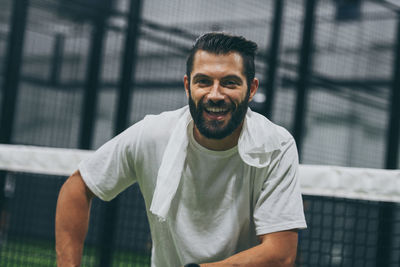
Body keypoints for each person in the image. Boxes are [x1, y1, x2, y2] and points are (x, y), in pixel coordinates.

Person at [55, 32, 307, 267]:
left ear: (251, 89)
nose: (215, 94)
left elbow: (281, 254)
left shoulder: (276, 145)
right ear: (188, 86)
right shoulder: (153, 134)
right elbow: (77, 187)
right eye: (204, 82)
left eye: (230, 83)